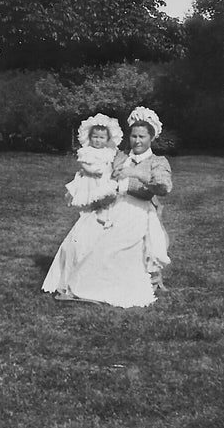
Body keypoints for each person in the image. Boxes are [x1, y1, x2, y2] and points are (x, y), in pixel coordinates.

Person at [42, 106, 172, 308]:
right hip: (111, 206)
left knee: (110, 248)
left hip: (138, 210)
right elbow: (99, 162)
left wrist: (134, 175)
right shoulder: (119, 156)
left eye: (142, 137)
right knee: (76, 241)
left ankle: (96, 286)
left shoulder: (157, 162)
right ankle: (70, 281)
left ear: (151, 138)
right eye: (134, 136)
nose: (137, 141)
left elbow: (164, 187)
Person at [65, 114, 123, 228]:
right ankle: (89, 214)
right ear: (90, 137)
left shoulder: (108, 151)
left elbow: (111, 163)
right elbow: (83, 164)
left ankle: (105, 215)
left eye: (101, 138)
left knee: (107, 196)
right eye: (95, 137)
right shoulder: (87, 151)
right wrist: (90, 171)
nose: (98, 140)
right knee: (92, 197)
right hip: (91, 177)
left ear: (107, 139)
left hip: (104, 177)